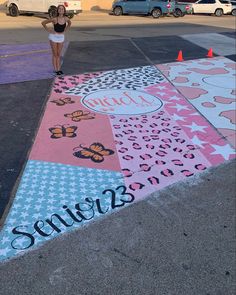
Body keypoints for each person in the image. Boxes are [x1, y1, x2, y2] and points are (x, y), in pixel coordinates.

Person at [41, 5, 71, 76]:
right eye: (59, 9)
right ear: (57, 10)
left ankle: (59, 69)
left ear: (64, 10)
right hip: (53, 37)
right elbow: (43, 23)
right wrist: (49, 30)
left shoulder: (66, 19)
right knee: (55, 54)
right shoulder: (54, 19)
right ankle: (56, 70)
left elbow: (69, 24)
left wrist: (65, 30)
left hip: (61, 37)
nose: (61, 10)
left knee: (58, 54)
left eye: (62, 9)